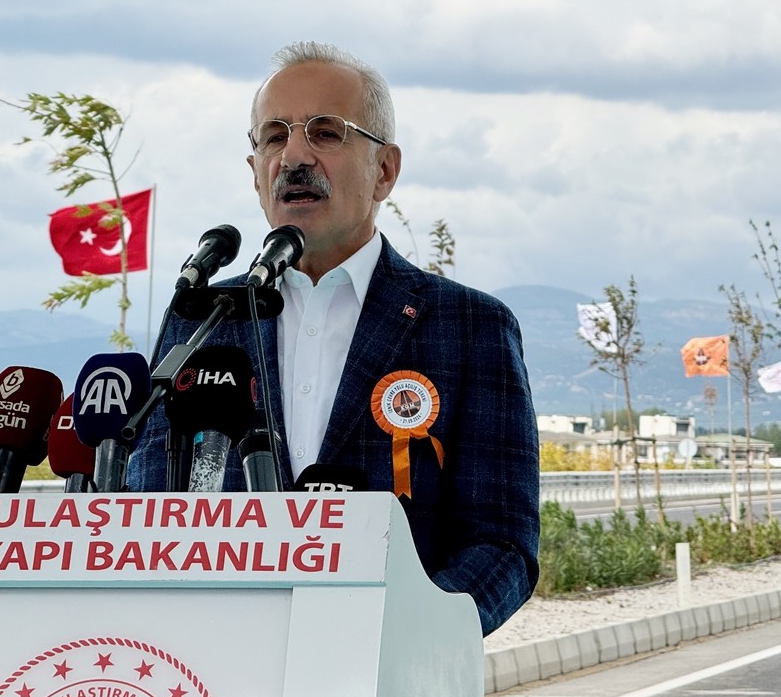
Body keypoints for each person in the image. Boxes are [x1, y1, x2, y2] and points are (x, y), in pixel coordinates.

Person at [126, 41, 539, 636]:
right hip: (217, 671)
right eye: (274, 136)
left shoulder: (471, 329)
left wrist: (407, 635)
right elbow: (150, 508)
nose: (294, 155)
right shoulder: (203, 319)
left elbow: (502, 544)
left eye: (325, 133)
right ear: (254, 173)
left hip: (386, 683)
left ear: (386, 170)